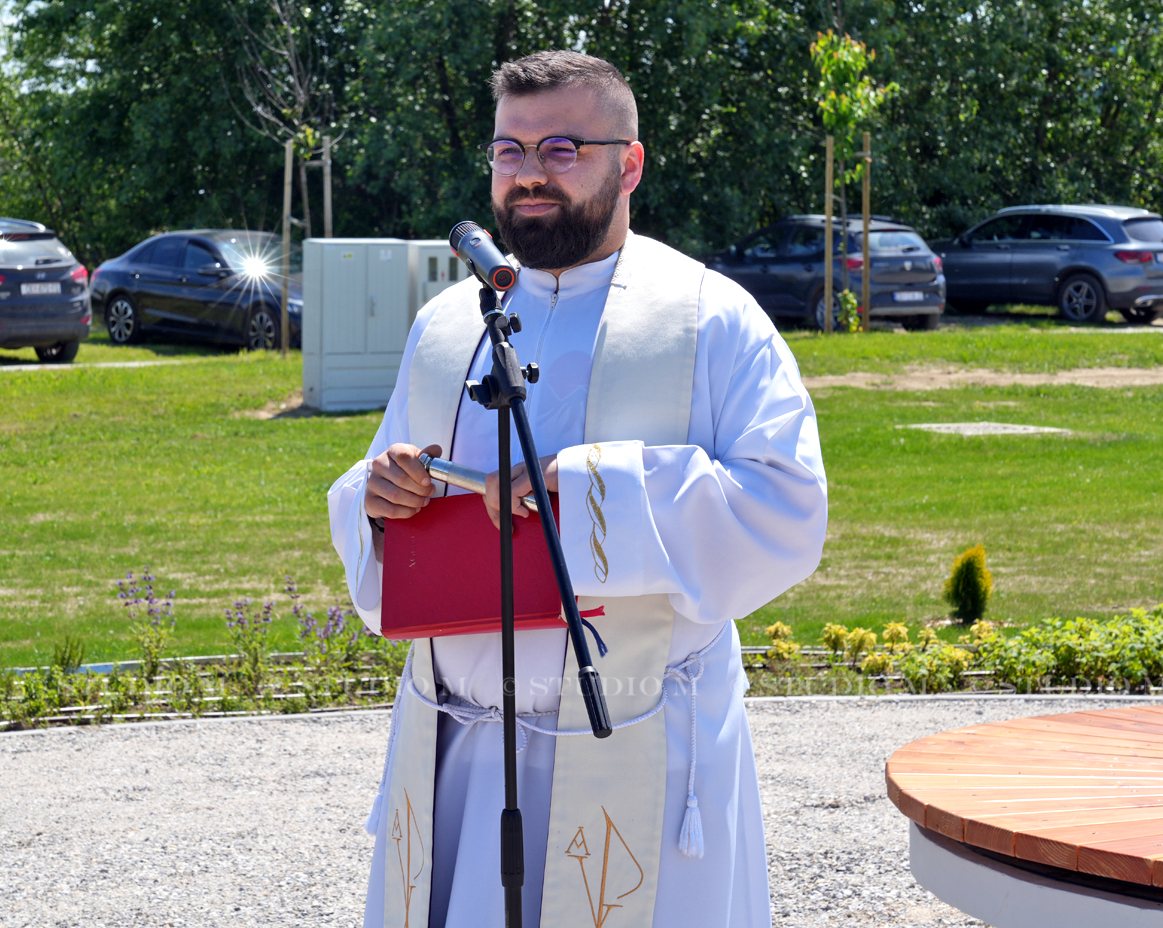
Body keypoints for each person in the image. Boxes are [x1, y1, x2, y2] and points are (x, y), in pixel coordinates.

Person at [328, 49, 827, 928]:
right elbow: (378, 491)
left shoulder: (708, 317)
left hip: (634, 737)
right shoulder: (447, 325)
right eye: (509, 151)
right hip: (459, 748)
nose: (529, 174)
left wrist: (591, 488)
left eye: (561, 149)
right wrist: (379, 498)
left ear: (629, 164)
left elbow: (785, 508)